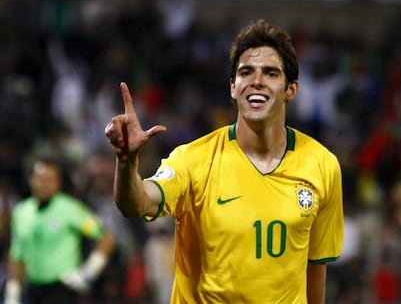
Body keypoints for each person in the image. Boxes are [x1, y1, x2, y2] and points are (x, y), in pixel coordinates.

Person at [105, 19, 344, 303]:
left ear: (291, 89)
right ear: (233, 87)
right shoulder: (193, 159)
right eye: (246, 72)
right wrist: (126, 161)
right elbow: (137, 203)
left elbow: (315, 268)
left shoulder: (323, 165)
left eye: (270, 73)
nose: (257, 81)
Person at [3, 156, 115, 304]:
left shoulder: (70, 208)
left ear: (58, 183)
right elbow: (17, 255)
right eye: (41, 179)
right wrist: (13, 293)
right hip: (33, 289)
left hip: (63, 288)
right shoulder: (21, 212)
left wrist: (89, 272)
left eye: (51, 179)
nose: (45, 184)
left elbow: (106, 238)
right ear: (30, 180)